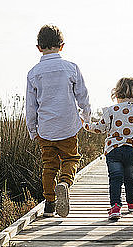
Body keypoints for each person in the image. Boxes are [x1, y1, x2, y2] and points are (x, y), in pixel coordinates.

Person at [26, 25, 91, 217]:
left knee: (49, 165)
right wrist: (85, 117)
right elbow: (83, 96)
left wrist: (32, 130)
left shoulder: (33, 73)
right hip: (68, 126)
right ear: (61, 46)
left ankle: (49, 204)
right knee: (71, 158)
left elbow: (31, 107)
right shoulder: (71, 68)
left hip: (45, 129)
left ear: (39, 47)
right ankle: (64, 182)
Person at [83, 77, 133, 220]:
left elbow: (100, 128)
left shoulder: (111, 110)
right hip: (132, 150)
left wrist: (85, 124)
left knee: (115, 178)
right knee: (129, 178)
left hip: (113, 151)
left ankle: (115, 207)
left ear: (117, 93)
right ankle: (131, 203)